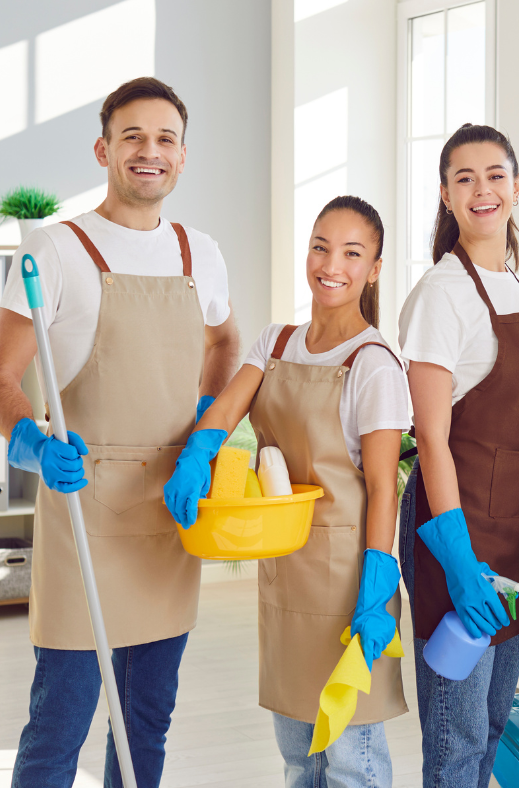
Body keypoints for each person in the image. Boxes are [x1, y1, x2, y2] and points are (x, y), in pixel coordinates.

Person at [0, 77, 239, 788]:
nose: (149, 151)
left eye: (165, 138)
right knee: (59, 726)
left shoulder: (201, 252)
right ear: (104, 148)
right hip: (85, 513)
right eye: (132, 135)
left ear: (183, 156)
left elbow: (227, 346)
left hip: (170, 511)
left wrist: (205, 427)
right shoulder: (57, 248)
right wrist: (32, 447)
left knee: (146, 720)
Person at [164, 195, 409, 788]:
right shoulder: (275, 343)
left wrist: (377, 588)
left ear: (373, 268)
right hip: (285, 571)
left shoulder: (374, 364)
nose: (332, 265)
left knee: (353, 758)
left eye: (353, 253)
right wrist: (199, 451)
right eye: (322, 247)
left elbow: (384, 486)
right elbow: (224, 411)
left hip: (350, 581)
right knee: (298, 756)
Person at [397, 123, 519, 787]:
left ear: (516, 188)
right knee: (456, 741)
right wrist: (458, 563)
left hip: (513, 537)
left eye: (495, 175)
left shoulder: (517, 287)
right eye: (464, 178)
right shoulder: (443, 293)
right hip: (454, 536)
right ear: (446, 195)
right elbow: (431, 436)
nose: (482, 189)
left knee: (493, 729)